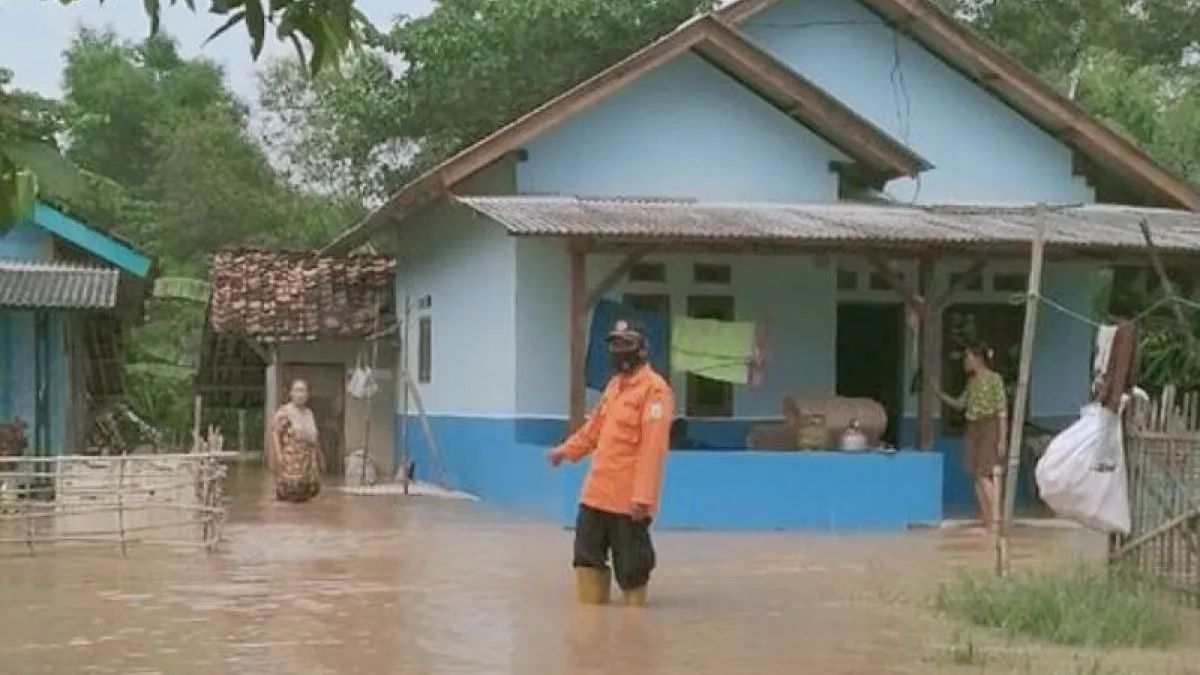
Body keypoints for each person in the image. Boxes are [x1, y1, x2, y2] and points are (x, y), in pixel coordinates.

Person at [548, 320, 675, 606]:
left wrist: (643, 498)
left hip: (628, 501)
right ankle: (592, 632)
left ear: (641, 350)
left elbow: (652, 449)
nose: (618, 351)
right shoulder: (614, 387)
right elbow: (593, 429)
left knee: (632, 570)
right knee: (585, 559)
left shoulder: (655, 391)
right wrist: (564, 452)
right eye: (614, 344)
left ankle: (633, 635)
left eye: (625, 344)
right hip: (595, 493)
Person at [938, 343, 1008, 531]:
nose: (965, 362)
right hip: (973, 428)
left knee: (985, 474)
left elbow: (1002, 411)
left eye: (967, 358)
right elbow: (961, 404)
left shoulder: (995, 379)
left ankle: (996, 519)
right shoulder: (971, 382)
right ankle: (987, 520)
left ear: (978, 359)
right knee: (976, 476)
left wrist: (1002, 439)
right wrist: (939, 395)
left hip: (989, 426)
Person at [271, 379, 323, 502]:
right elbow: (275, 433)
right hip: (290, 464)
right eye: (297, 390)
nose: (300, 394)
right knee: (289, 496)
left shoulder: (309, 413)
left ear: (307, 395)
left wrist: (321, 457)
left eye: (303, 391)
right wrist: (278, 455)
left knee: (308, 496)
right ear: (291, 393)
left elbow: (315, 438)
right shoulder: (285, 412)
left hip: (308, 466)